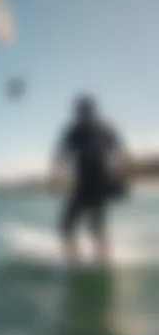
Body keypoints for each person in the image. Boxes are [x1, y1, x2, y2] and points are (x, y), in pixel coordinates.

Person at [52, 94, 129, 266]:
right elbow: (61, 155)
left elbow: (120, 152)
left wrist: (119, 174)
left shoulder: (98, 129)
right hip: (88, 186)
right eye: (81, 111)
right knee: (74, 227)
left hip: (96, 186)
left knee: (82, 227)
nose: (82, 115)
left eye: (83, 111)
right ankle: (81, 260)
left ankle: (94, 260)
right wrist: (58, 174)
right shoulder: (78, 130)